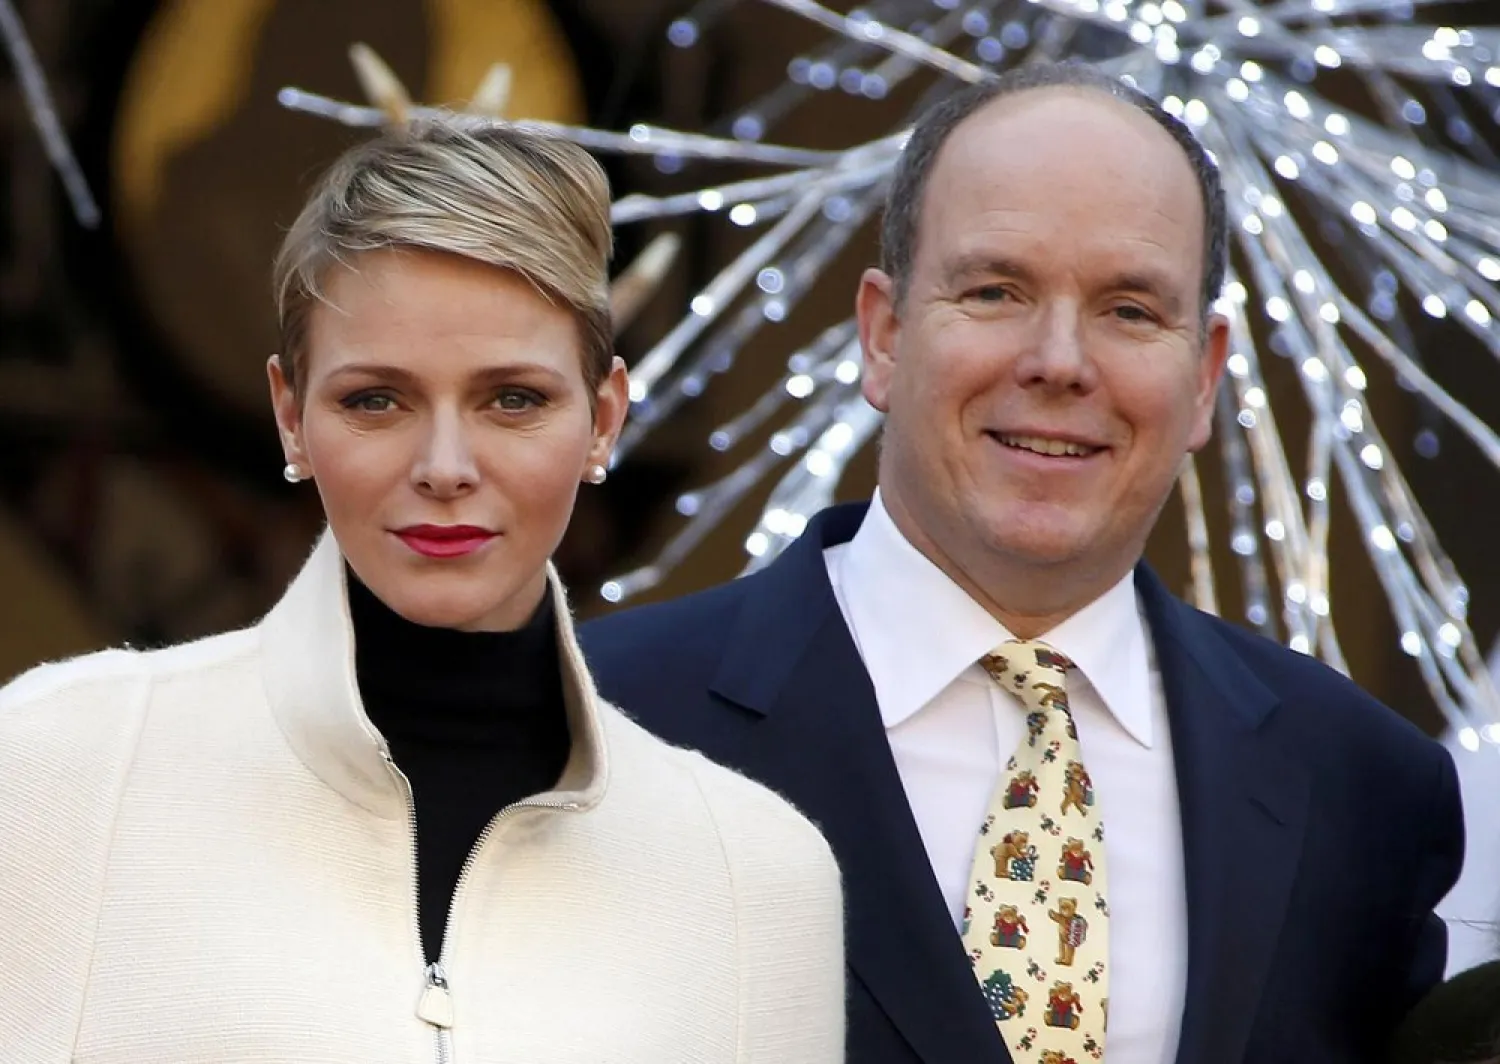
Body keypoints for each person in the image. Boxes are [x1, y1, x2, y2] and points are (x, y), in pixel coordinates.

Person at [581, 62, 1464, 1064]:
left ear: (1206, 374)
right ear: (883, 335)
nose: (1059, 360)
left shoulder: (1365, 791)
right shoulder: (603, 729)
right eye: (996, 289)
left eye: (1130, 309)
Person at [0, 120, 844, 1063]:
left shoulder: (754, 878)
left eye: (513, 399)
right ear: (291, 414)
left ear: (603, 419)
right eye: (376, 400)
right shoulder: (59, 770)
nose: (445, 467)